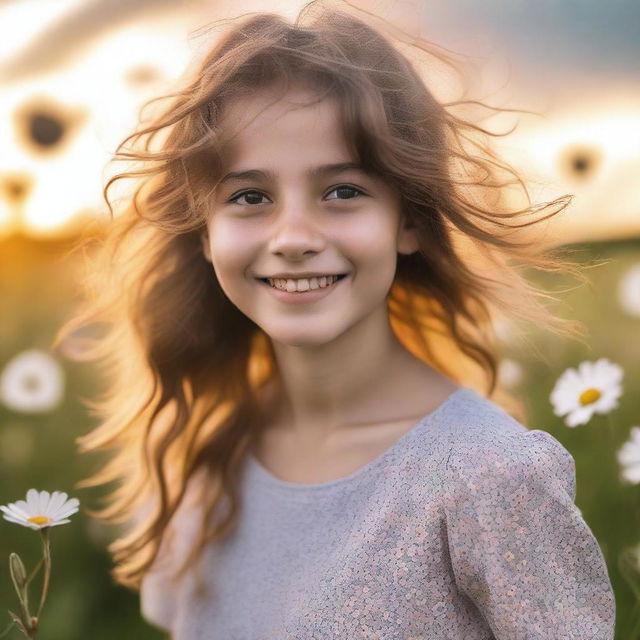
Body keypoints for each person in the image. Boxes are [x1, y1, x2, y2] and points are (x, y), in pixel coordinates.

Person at [55, 1, 616, 638]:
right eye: (250, 197)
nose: (293, 236)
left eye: (342, 191)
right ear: (204, 233)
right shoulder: (209, 456)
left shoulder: (489, 476)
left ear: (408, 220)